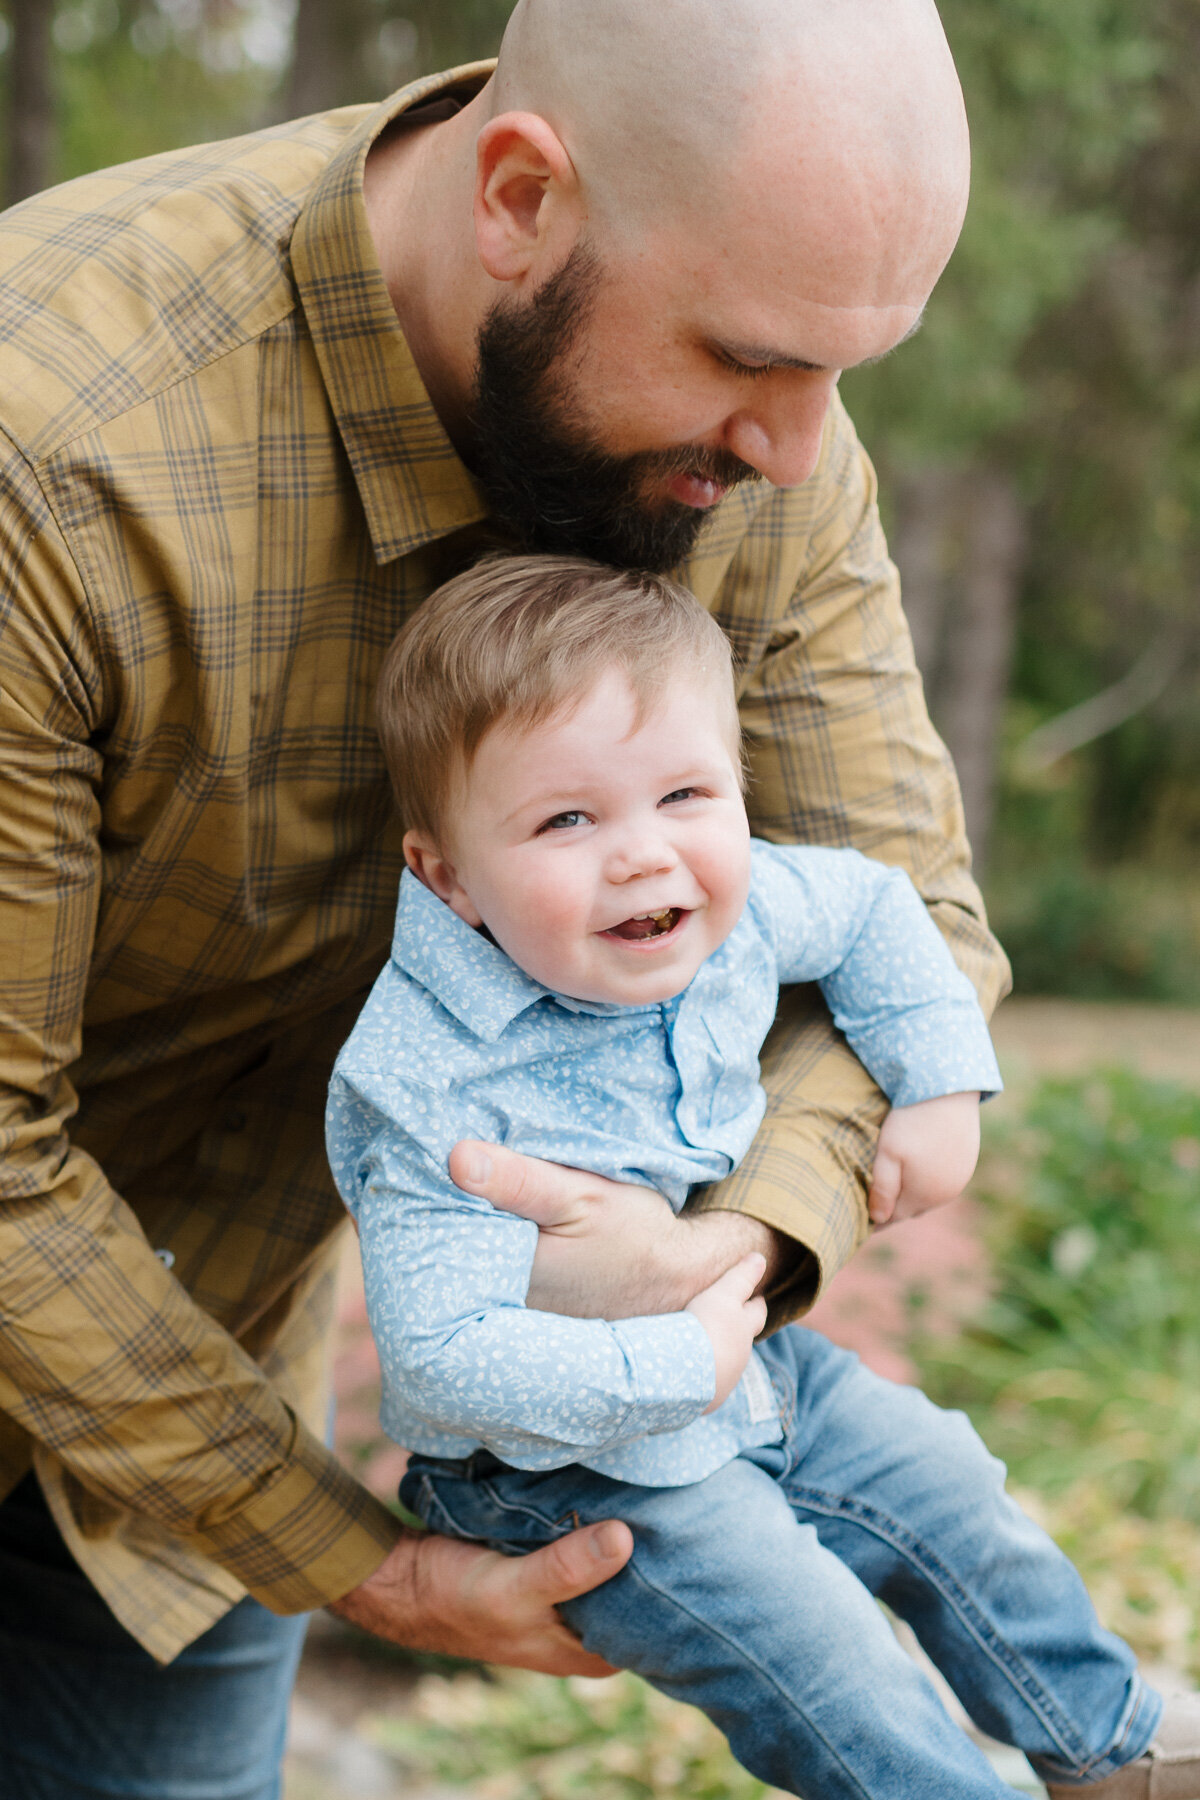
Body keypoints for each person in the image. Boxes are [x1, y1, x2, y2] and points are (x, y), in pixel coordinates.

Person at [0, 0, 1159, 1793]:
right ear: (521, 201)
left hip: (193, 1402)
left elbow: (900, 903)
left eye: (844, 373)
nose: (798, 448)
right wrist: (361, 1558)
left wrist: (739, 1251)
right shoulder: (52, 445)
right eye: (753, 357)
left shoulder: (756, 433)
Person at [326, 553, 1190, 1800]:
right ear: (446, 875)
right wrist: (674, 1366)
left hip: (754, 1371)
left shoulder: (730, 909)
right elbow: (440, 1351)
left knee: (947, 1484)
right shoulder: (430, 1082)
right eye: (568, 819)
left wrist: (940, 1082)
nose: (644, 856)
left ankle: (1111, 1746)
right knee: (825, 1657)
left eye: (684, 792)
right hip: (559, 1464)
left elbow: (875, 908)